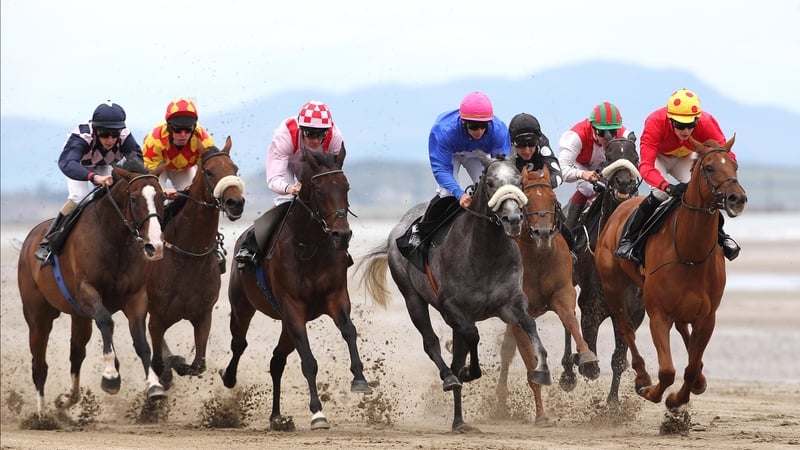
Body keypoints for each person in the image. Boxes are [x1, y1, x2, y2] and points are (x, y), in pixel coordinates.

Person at [614, 88, 740, 264]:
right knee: (661, 194)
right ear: (670, 119)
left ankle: (722, 236)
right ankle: (628, 239)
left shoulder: (707, 122)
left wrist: (731, 167)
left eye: (691, 125)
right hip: (660, 157)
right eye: (680, 125)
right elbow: (646, 166)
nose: (686, 131)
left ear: (698, 120)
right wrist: (668, 186)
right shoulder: (655, 122)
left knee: (705, 192)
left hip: (685, 157)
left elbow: (725, 153)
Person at [234, 100, 345, 272]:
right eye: (310, 134)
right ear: (301, 129)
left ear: (328, 131)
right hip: (287, 165)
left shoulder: (335, 137)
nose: (315, 140)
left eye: (320, 134)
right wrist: (290, 188)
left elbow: (333, 174)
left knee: (325, 202)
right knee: (285, 201)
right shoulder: (285, 133)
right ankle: (251, 246)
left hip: (316, 167)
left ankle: (339, 251)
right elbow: (274, 177)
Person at [34, 101, 144, 264]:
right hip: (79, 166)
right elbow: (67, 163)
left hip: (104, 165)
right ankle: (49, 241)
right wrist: (93, 177)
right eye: (105, 134)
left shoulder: (124, 136)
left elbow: (137, 162)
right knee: (80, 197)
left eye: (114, 134)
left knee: (116, 195)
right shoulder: (82, 136)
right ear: (96, 130)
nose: (110, 140)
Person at [407, 91, 510, 246]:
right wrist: (459, 194)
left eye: (483, 127)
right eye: (474, 127)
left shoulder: (499, 130)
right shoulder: (443, 130)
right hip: (452, 155)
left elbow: (501, 168)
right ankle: (421, 228)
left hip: (478, 154)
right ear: (463, 122)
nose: (479, 131)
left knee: (493, 188)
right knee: (447, 193)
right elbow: (441, 169)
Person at [558, 102, 633, 232]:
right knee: (587, 188)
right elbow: (561, 170)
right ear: (593, 128)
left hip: (606, 165)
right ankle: (568, 234)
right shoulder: (575, 136)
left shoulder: (624, 135)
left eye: (612, 132)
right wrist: (582, 174)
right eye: (602, 132)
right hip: (581, 165)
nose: (608, 137)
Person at [508, 112, 576, 254]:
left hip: (538, 193)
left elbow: (558, 174)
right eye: (521, 146)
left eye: (531, 145)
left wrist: (538, 186)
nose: (527, 151)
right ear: (513, 143)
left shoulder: (543, 143)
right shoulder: (506, 148)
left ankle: (572, 254)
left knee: (562, 223)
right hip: (515, 194)